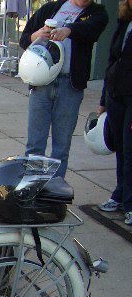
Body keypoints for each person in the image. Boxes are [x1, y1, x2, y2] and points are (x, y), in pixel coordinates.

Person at [20, 0, 108, 178]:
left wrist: (68, 30)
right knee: (35, 144)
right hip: (42, 82)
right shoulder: (51, 8)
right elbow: (24, 39)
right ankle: (32, 186)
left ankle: (55, 188)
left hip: (70, 85)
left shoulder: (98, 13)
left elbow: (90, 31)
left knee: (61, 146)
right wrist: (38, 34)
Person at [97, 0, 132, 225]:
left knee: (130, 150)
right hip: (115, 95)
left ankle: (130, 203)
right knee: (119, 147)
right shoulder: (124, 22)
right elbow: (112, 60)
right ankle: (120, 195)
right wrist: (103, 100)